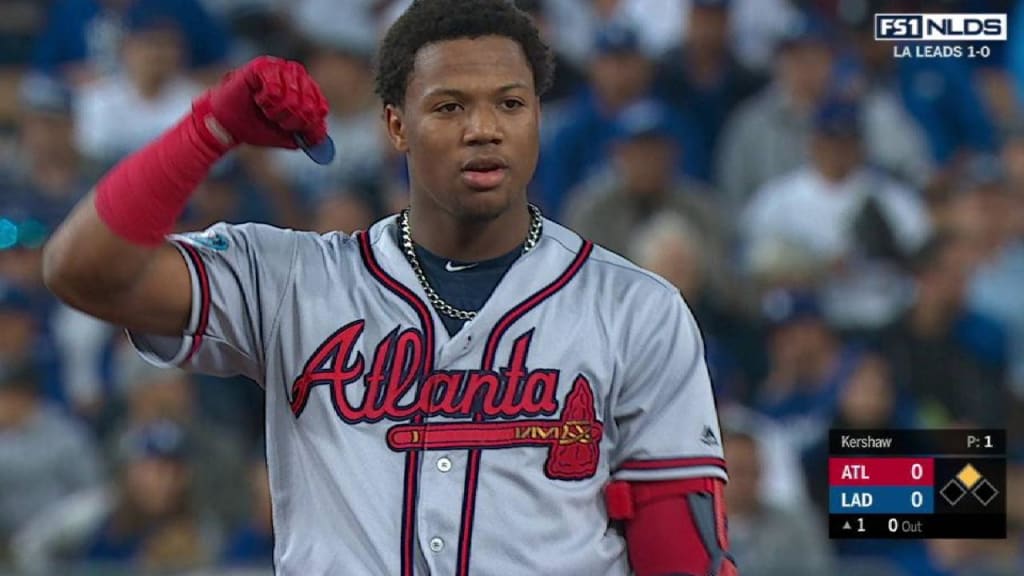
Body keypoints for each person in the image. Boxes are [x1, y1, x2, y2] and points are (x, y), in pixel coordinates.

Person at [42, 1, 736, 575]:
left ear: (538, 120)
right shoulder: (292, 279)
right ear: (396, 126)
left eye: (511, 103)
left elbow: (680, 544)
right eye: (449, 107)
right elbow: (83, 270)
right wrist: (209, 131)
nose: (484, 129)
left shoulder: (634, 305)